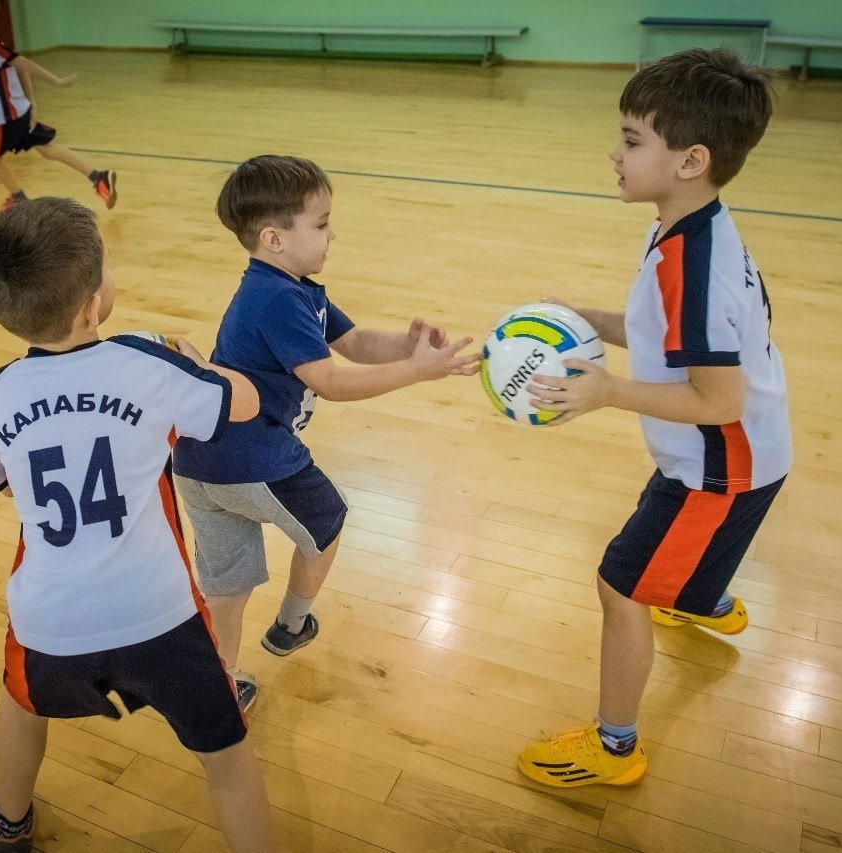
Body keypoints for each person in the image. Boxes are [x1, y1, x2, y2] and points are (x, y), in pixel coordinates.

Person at [515, 48, 791, 788]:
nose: (615, 152)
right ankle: (707, 600)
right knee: (659, 554)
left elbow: (718, 400)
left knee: (620, 586)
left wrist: (606, 391)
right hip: (729, 457)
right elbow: (667, 336)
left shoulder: (689, 266)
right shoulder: (688, 225)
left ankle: (612, 748)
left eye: (633, 141)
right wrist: (583, 318)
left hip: (721, 466)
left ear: (691, 159)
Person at [0, 197, 276, 853]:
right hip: (160, 615)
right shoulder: (147, 360)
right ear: (90, 306)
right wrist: (202, 364)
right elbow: (242, 403)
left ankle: (11, 823)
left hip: (50, 619)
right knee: (227, 757)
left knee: (20, 704)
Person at [172, 155, 480, 711]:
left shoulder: (290, 287)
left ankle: (221, 685)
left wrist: (410, 348)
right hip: (255, 459)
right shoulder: (277, 300)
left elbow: (356, 343)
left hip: (198, 465)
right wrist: (416, 373)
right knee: (328, 522)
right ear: (274, 238)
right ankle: (292, 623)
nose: (331, 233)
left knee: (227, 585)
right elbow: (332, 382)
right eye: (320, 223)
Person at [0, 0, 117, 212]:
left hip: (8, 120)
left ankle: (19, 198)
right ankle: (98, 178)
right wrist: (31, 104)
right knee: (48, 150)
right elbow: (20, 69)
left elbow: (25, 65)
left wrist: (55, 81)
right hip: (20, 113)